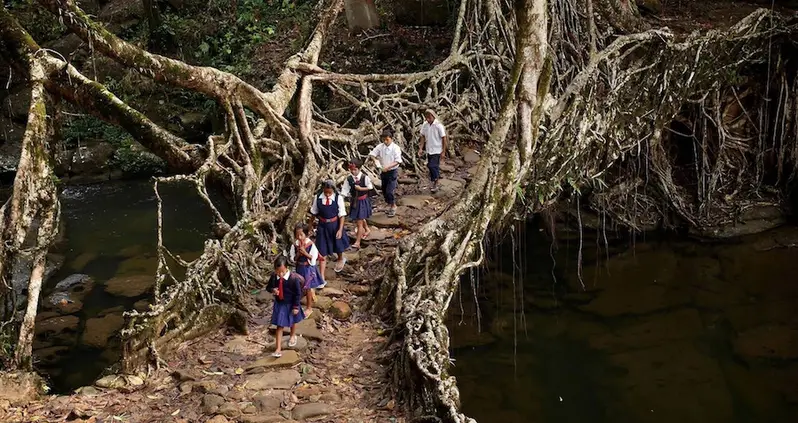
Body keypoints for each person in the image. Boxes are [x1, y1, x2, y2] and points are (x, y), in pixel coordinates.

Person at [266, 255, 305, 358]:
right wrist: (273, 290)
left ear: (287, 268)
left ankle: (292, 335)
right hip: (280, 303)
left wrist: (296, 306)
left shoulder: (293, 278)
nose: (281, 274)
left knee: (292, 321)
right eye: (278, 272)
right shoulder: (274, 277)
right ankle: (278, 349)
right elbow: (268, 287)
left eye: (282, 271)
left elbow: (297, 293)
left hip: (291, 303)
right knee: (280, 325)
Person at [309, 180, 349, 276]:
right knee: (322, 246)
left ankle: (340, 258)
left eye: (329, 192)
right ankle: (322, 275)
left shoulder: (337, 198)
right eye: (325, 192)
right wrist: (310, 226)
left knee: (337, 243)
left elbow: (342, 215)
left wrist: (340, 229)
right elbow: (313, 213)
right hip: (322, 225)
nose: (327, 194)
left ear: (333, 190)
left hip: (334, 224)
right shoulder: (318, 197)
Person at [290, 223, 323, 317]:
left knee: (308, 287)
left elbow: (313, 259)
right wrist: (298, 255)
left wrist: (305, 253)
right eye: (297, 235)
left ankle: (309, 308)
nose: (299, 237)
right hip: (299, 267)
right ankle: (296, 305)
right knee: (298, 286)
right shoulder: (295, 245)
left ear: (306, 234)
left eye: (301, 235)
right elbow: (292, 259)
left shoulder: (310, 245)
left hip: (307, 268)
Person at [369, 128, 402, 217]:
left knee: (389, 190)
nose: (385, 141)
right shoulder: (380, 147)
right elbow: (372, 154)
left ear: (391, 138)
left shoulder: (395, 148)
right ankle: (389, 204)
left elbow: (398, 161)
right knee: (384, 189)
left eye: (387, 139)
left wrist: (388, 167)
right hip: (383, 171)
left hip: (392, 171)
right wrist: (376, 162)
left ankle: (393, 206)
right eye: (384, 139)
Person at [341, 159, 373, 249]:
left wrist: (361, 189)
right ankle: (367, 229)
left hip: (362, 201)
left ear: (359, 169)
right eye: (351, 170)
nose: (353, 172)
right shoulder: (349, 179)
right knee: (359, 218)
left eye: (355, 170)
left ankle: (358, 242)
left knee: (359, 222)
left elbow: (370, 187)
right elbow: (344, 190)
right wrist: (341, 199)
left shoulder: (364, 177)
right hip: (354, 201)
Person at [418, 109, 447, 193]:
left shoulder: (438, 125)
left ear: (433, 116)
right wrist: (420, 148)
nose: (428, 119)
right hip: (429, 149)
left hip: (437, 149)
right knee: (431, 166)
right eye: (426, 117)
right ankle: (435, 180)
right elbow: (422, 136)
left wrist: (443, 151)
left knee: (432, 166)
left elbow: (444, 138)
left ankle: (436, 182)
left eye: (429, 117)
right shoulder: (425, 125)